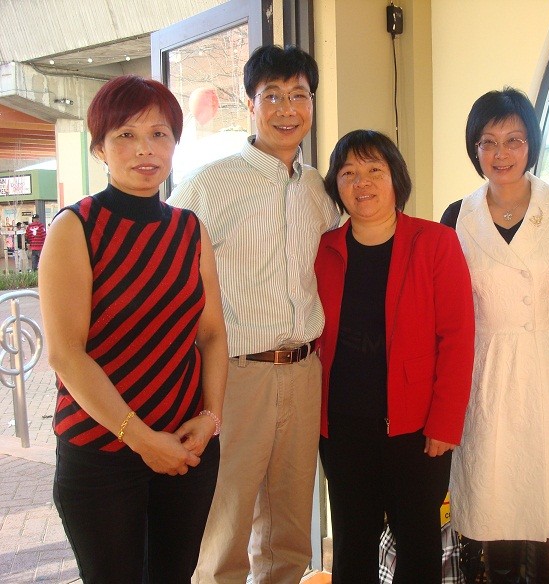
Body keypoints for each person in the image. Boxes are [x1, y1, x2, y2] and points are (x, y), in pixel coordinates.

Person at [38, 74, 227, 584]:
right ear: (99, 148)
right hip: (100, 454)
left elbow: (211, 334)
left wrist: (210, 418)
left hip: (185, 448)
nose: (145, 148)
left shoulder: (190, 230)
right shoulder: (75, 228)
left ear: (174, 143)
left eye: (159, 134)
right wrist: (143, 440)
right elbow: (66, 354)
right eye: (126, 134)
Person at [169, 44, 340, 584]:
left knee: (290, 531)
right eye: (273, 96)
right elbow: (169, 274)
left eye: (299, 96)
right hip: (237, 376)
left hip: (305, 372)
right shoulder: (209, 185)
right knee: (226, 527)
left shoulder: (317, 189)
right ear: (250, 104)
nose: (288, 109)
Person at [442, 87, 549, 583]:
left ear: (531, 144)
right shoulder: (457, 217)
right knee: (492, 505)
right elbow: (446, 311)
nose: (501, 153)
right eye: (488, 142)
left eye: (513, 140)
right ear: (475, 149)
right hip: (486, 374)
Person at [315, 129, 475, 584]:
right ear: (336, 185)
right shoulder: (324, 249)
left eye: (374, 170)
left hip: (418, 429)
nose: (361, 183)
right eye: (348, 173)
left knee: (418, 546)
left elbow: (458, 338)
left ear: (395, 179)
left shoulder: (435, 242)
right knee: (352, 545)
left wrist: (445, 423)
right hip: (343, 427)